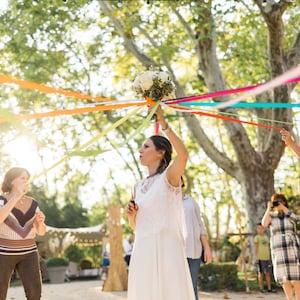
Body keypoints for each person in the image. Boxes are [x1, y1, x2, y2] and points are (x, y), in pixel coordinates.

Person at [125, 105, 194, 300]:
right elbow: (136, 227)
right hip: (143, 248)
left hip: (167, 247)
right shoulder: (137, 187)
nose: (140, 150)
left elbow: (184, 155)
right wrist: (131, 216)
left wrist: (163, 123)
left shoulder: (169, 178)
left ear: (161, 152)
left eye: (146, 146)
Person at [0, 167, 46, 300]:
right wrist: (16, 197)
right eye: (22, 178)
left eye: (27, 179)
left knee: (35, 293)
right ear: (12, 180)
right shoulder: (2, 200)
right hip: (4, 253)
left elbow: (41, 232)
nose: (26, 181)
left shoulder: (33, 203)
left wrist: (40, 222)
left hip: (29, 253)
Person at [261, 193, 300, 300]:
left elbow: (296, 219)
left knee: (297, 275)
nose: (279, 203)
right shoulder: (271, 216)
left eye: (281, 201)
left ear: (285, 202)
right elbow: (264, 224)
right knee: (284, 277)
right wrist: (269, 208)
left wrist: (283, 208)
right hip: (279, 249)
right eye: (276, 201)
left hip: (292, 247)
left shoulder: (289, 214)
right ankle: (290, 298)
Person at [182, 190, 212, 300]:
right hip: (174, 252)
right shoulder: (166, 202)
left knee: (192, 288)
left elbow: (200, 225)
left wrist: (207, 248)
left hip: (194, 252)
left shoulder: (190, 202)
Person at [254, 222, 273, 293]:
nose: (260, 230)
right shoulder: (257, 238)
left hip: (267, 258)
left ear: (264, 229)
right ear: (257, 229)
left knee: (268, 273)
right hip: (260, 258)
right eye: (258, 228)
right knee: (261, 273)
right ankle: (261, 288)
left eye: (262, 228)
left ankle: (269, 288)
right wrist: (256, 257)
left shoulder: (266, 237)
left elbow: (268, 247)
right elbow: (256, 248)